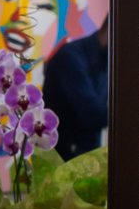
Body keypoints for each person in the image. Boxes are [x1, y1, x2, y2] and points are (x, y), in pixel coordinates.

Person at [42, 16, 108, 159]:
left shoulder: (105, 60)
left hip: (86, 158)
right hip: (63, 162)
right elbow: (92, 114)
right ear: (110, 30)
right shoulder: (71, 56)